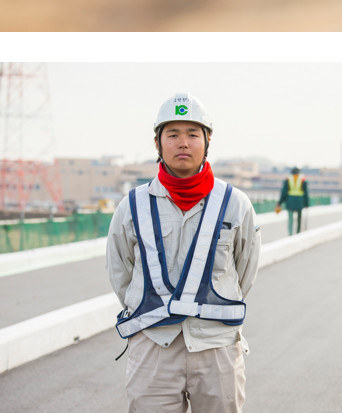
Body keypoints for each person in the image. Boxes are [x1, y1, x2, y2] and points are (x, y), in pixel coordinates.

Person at [106, 93, 261, 411]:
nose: (183, 143)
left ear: (207, 140)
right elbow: (120, 271)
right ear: (157, 143)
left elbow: (246, 271)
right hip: (153, 348)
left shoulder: (235, 204)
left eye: (192, 134)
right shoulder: (132, 206)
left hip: (216, 347)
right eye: (173, 134)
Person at [275, 166, 309, 235]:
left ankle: (290, 233)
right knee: (299, 218)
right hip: (300, 201)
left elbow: (284, 192)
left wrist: (280, 202)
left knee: (290, 219)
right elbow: (306, 193)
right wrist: (306, 203)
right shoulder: (303, 179)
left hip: (290, 201)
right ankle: (298, 232)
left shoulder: (288, 179)